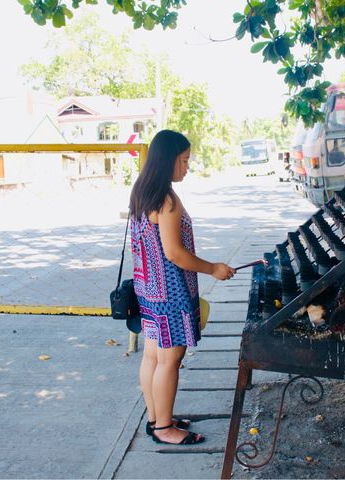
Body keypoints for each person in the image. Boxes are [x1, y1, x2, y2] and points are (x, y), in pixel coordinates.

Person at [129, 129, 236, 445]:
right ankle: (164, 429)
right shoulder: (167, 199)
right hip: (170, 293)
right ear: (168, 160)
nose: (187, 167)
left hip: (148, 290)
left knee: (152, 358)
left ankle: (156, 418)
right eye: (185, 160)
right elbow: (174, 253)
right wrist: (213, 268)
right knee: (170, 360)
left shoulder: (141, 191)